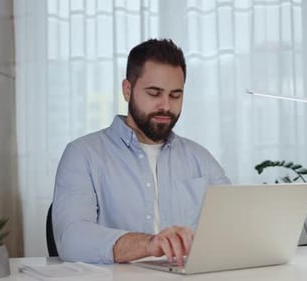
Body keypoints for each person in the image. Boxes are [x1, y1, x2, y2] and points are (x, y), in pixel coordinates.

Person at [52, 38, 230, 265]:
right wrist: (150, 245)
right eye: (154, 93)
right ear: (127, 90)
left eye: (175, 95)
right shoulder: (82, 155)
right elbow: (72, 239)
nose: (166, 105)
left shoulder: (201, 159)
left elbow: (233, 226)